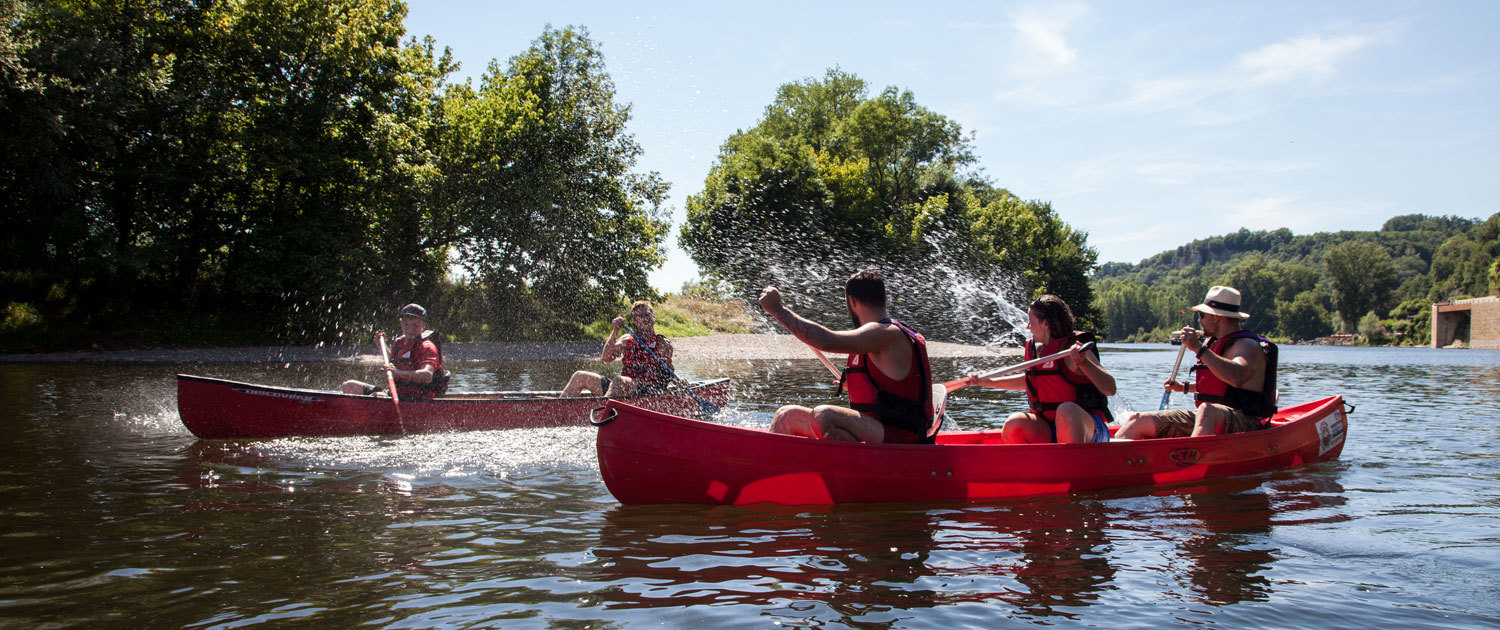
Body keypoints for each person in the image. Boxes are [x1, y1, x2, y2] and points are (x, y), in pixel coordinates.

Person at [758, 270, 936, 444]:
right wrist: (861, 385)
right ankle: (767, 466)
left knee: (824, 416)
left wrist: (778, 310)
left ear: (851, 301)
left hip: (902, 438)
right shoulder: (879, 336)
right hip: (881, 433)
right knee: (786, 416)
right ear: (884, 300)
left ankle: (845, 471)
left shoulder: (885, 333)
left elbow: (825, 341)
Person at [943, 294, 1116, 444]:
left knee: (1066, 410)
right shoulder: (1037, 350)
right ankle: (1029, 469)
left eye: (1030, 321)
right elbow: (1032, 381)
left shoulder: (1075, 349)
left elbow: (1110, 388)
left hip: (1089, 430)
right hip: (1051, 428)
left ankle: (1073, 466)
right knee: (1015, 424)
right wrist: (989, 382)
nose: (1027, 327)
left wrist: (1083, 363)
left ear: (1045, 324)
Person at [1115, 286, 1278, 439]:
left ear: (1216, 317)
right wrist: (1183, 387)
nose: (1199, 321)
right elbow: (1221, 387)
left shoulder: (1246, 345)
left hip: (1247, 422)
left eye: (1202, 315)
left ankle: (1192, 461)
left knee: (1206, 410)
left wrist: (1198, 348)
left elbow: (1237, 376)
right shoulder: (1216, 343)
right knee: (1136, 421)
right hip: (1210, 417)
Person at [560, 300, 675, 398]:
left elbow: (669, 371)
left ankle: (601, 412)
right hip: (622, 388)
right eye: (640, 316)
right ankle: (557, 410)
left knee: (618, 381)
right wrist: (615, 331)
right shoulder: (626, 340)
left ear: (653, 317)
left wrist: (677, 383)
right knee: (580, 376)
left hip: (648, 391)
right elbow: (606, 358)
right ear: (635, 321)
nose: (645, 319)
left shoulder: (662, 342)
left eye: (647, 315)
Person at [341, 303, 450, 399]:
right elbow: (394, 362)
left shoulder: (427, 346)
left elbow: (427, 375)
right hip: (397, 393)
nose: (410, 329)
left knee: (376, 397)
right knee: (348, 385)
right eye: (406, 324)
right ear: (401, 323)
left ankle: (364, 419)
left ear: (423, 325)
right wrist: (381, 346)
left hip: (418, 398)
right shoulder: (399, 342)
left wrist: (398, 373)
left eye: (415, 325)